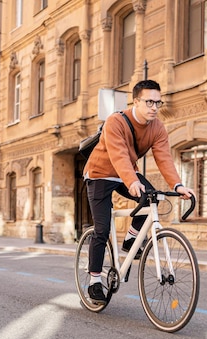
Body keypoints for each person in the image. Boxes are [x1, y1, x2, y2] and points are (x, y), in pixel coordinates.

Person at [83, 79, 194, 305]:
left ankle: (131, 239)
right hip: (100, 174)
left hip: (126, 174)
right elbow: (119, 154)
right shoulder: (116, 121)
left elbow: (164, 158)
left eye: (158, 102)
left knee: (152, 196)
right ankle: (94, 280)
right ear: (136, 101)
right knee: (102, 229)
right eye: (149, 102)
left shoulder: (157, 127)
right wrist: (132, 181)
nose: (154, 107)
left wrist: (178, 185)